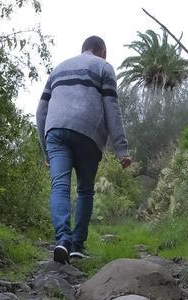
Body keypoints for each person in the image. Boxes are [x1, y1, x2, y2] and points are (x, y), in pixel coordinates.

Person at [35, 36, 132, 264]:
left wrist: (46, 149)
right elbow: (112, 109)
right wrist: (122, 149)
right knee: (85, 190)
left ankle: (63, 240)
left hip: (55, 131)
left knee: (59, 186)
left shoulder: (58, 69)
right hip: (88, 133)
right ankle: (77, 246)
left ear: (83, 49)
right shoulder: (104, 67)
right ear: (102, 51)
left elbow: (40, 112)